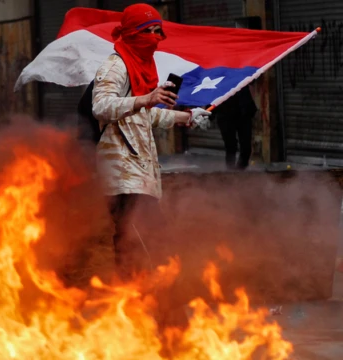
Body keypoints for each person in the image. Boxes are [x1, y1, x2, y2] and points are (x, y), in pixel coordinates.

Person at [92, 3, 211, 327]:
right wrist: (146, 98)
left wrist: (186, 117)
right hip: (122, 175)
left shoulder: (141, 67)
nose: (158, 37)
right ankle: (154, 318)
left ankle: (140, 315)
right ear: (134, 33)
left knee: (141, 247)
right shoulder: (115, 66)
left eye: (160, 30)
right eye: (151, 30)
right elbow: (101, 106)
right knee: (147, 245)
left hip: (141, 174)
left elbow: (147, 114)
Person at [214, 86, 257, 170]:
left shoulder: (241, 76)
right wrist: (208, 115)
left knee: (246, 145)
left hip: (243, 114)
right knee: (230, 145)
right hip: (225, 115)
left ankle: (241, 169)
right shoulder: (220, 79)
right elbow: (213, 95)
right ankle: (230, 170)